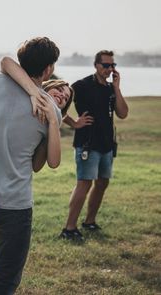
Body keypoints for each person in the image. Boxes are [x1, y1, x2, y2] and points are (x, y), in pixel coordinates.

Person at [0, 36, 64, 295]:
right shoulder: (48, 108)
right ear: (48, 70)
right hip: (15, 204)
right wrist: (54, 123)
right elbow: (52, 162)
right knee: (6, 280)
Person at [60, 50, 129, 241]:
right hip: (87, 144)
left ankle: (89, 222)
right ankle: (69, 228)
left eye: (112, 66)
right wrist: (73, 122)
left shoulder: (110, 89)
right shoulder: (81, 86)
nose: (109, 69)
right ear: (96, 65)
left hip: (107, 144)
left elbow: (123, 113)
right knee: (84, 183)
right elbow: (57, 106)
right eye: (105, 65)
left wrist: (116, 87)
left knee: (102, 183)